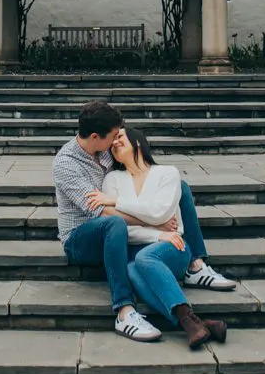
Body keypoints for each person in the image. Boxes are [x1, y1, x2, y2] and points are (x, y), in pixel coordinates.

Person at [52, 100, 235, 343]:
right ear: (96, 137)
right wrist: (156, 226)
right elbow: (105, 212)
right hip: (82, 237)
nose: (117, 141)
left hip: (122, 236)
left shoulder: (105, 149)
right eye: (114, 136)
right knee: (114, 225)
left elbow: (142, 173)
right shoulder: (66, 164)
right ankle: (124, 311)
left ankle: (196, 266)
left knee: (178, 189)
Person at [88, 126, 229, 349]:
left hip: (173, 247)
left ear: (137, 143)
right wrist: (159, 232)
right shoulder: (112, 179)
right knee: (133, 270)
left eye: (120, 137)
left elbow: (160, 212)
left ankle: (192, 320)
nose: (114, 143)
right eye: (112, 141)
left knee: (144, 259)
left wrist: (116, 202)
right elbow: (121, 228)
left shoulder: (167, 173)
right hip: (148, 244)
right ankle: (194, 322)